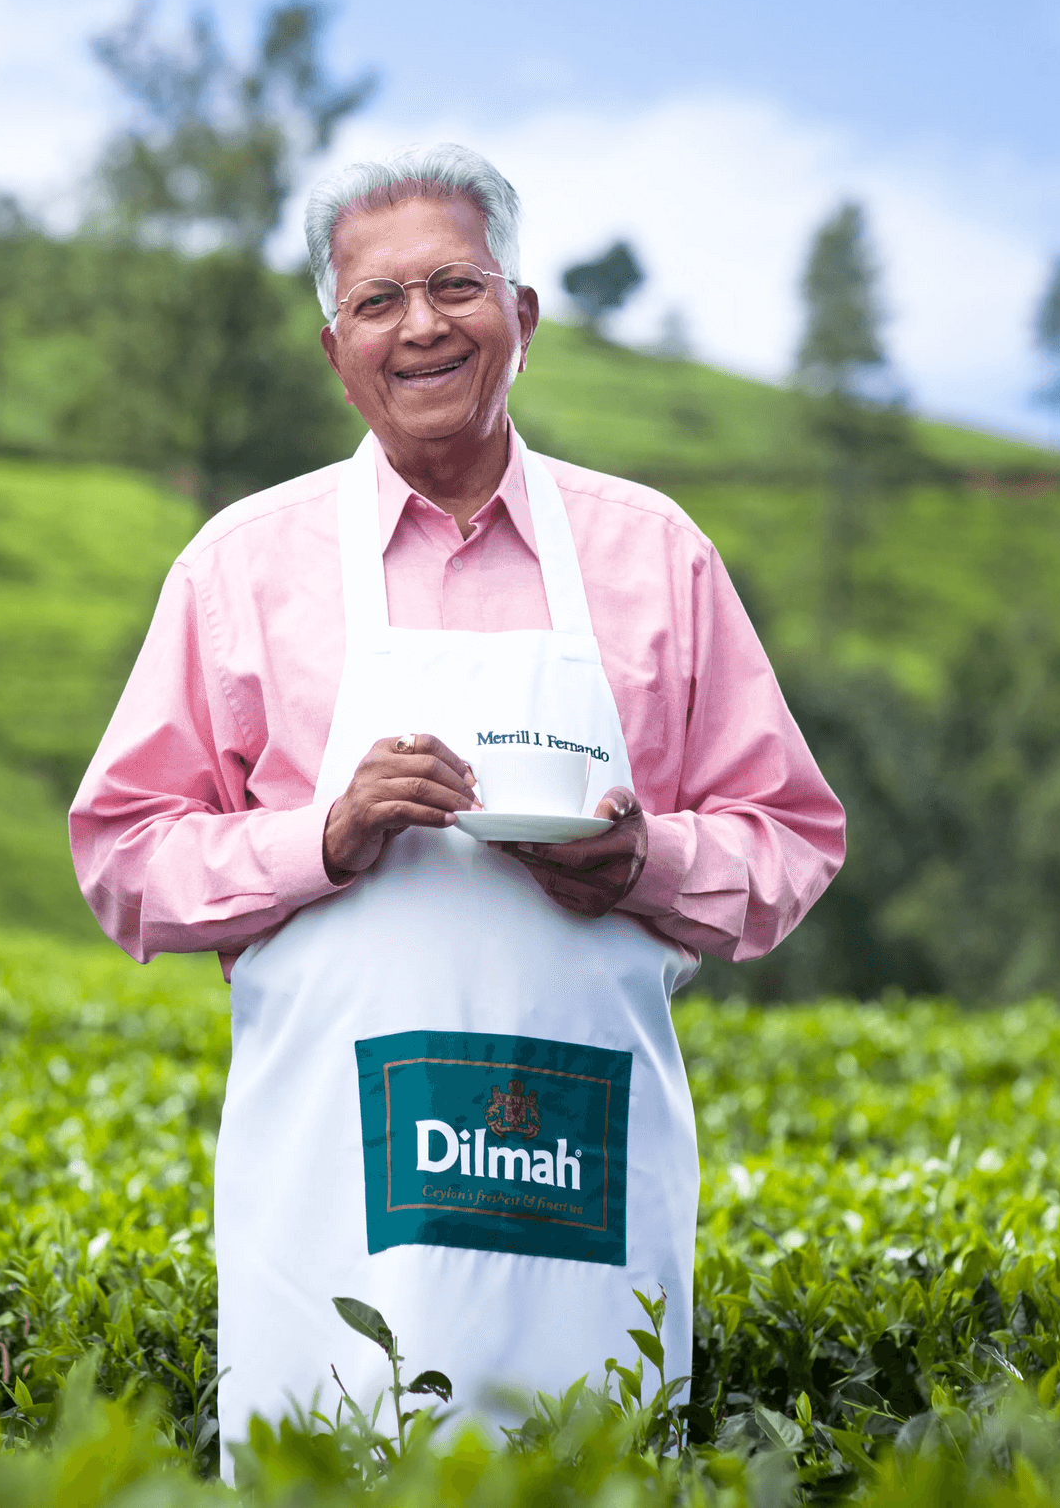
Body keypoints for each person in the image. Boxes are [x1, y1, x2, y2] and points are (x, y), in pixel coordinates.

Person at [67, 143, 844, 1470]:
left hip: (580, 1174)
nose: (421, 325)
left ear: (523, 317)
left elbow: (790, 836)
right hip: (336, 1196)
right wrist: (322, 834)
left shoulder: (655, 553)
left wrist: (646, 857)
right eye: (379, 302)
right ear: (336, 347)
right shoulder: (245, 567)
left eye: (455, 287)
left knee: (586, 1472)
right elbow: (125, 854)